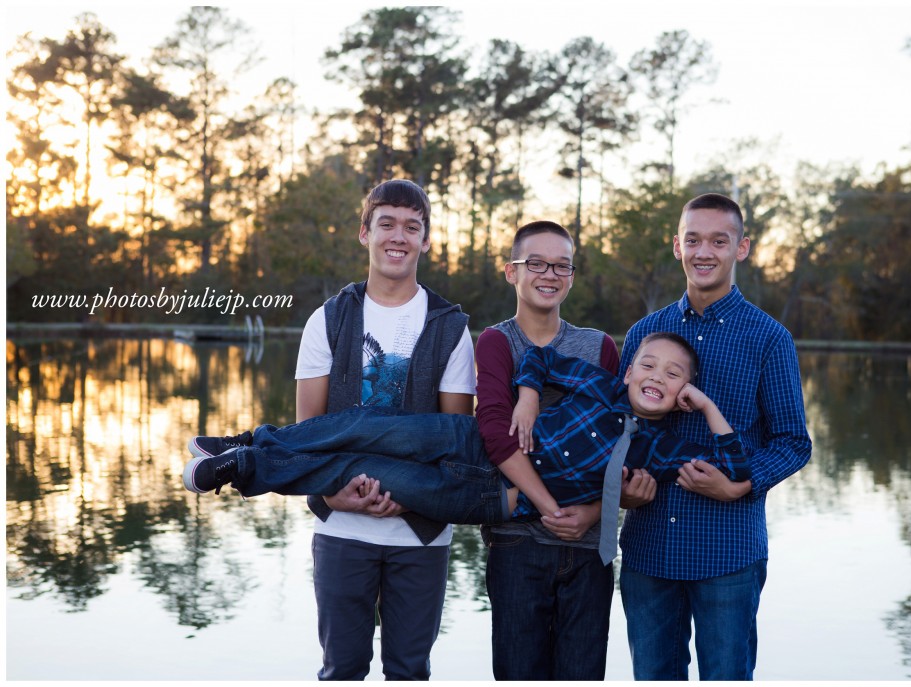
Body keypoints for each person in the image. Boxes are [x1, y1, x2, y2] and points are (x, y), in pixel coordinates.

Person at [181, 335, 751, 517]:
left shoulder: (661, 451)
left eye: (674, 376)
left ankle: (240, 469)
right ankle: (250, 442)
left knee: (360, 468)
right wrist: (527, 399)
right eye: (648, 365)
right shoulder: (599, 383)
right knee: (365, 423)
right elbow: (542, 360)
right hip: (471, 439)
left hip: (487, 495)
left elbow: (732, 469)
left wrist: (706, 409)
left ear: (681, 393)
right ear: (628, 370)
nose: (657, 376)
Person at [617, 192, 812, 681]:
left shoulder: (769, 338)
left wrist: (741, 485)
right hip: (649, 547)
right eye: (694, 239)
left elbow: (793, 442)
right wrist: (617, 488)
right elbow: (616, 426)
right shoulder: (646, 332)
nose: (705, 251)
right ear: (678, 246)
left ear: (741, 248)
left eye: (718, 241)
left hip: (728, 552)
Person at [290, 179, 476, 681]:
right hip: (341, 524)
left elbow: (455, 439)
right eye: (386, 223)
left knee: (410, 671)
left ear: (427, 240)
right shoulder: (327, 320)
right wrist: (337, 493)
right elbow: (308, 434)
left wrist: (411, 496)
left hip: (421, 531)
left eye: (412, 227)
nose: (398, 236)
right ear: (364, 233)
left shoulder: (450, 327)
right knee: (342, 669)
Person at [474, 220, 655, 681]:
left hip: (589, 550)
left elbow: (624, 445)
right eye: (536, 263)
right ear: (512, 272)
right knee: (519, 672)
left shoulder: (597, 347)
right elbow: (495, 434)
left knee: (582, 674)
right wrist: (552, 509)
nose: (549, 274)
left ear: (572, 276)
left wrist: (594, 514)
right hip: (517, 544)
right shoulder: (497, 342)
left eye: (561, 265)